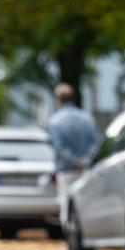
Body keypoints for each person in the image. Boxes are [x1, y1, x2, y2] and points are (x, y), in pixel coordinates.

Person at [46, 83, 100, 230]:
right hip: (86, 170)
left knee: (66, 206)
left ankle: (71, 239)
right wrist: (85, 161)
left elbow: (60, 148)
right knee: (85, 204)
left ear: (58, 100)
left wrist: (75, 161)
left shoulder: (54, 121)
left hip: (66, 171)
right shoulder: (87, 117)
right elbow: (95, 142)